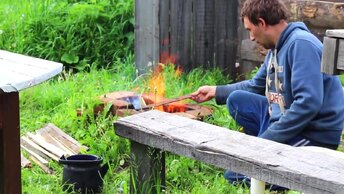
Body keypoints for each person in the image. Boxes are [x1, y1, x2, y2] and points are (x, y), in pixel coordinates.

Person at [191, 0, 344, 190]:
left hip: (312, 133)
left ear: (262, 23)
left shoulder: (301, 45)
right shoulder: (277, 48)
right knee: (237, 100)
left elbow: (308, 104)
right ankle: (269, 149)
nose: (251, 37)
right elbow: (256, 85)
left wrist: (266, 142)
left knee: (236, 175)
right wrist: (216, 91)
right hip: (286, 119)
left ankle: (271, 155)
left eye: (249, 29)